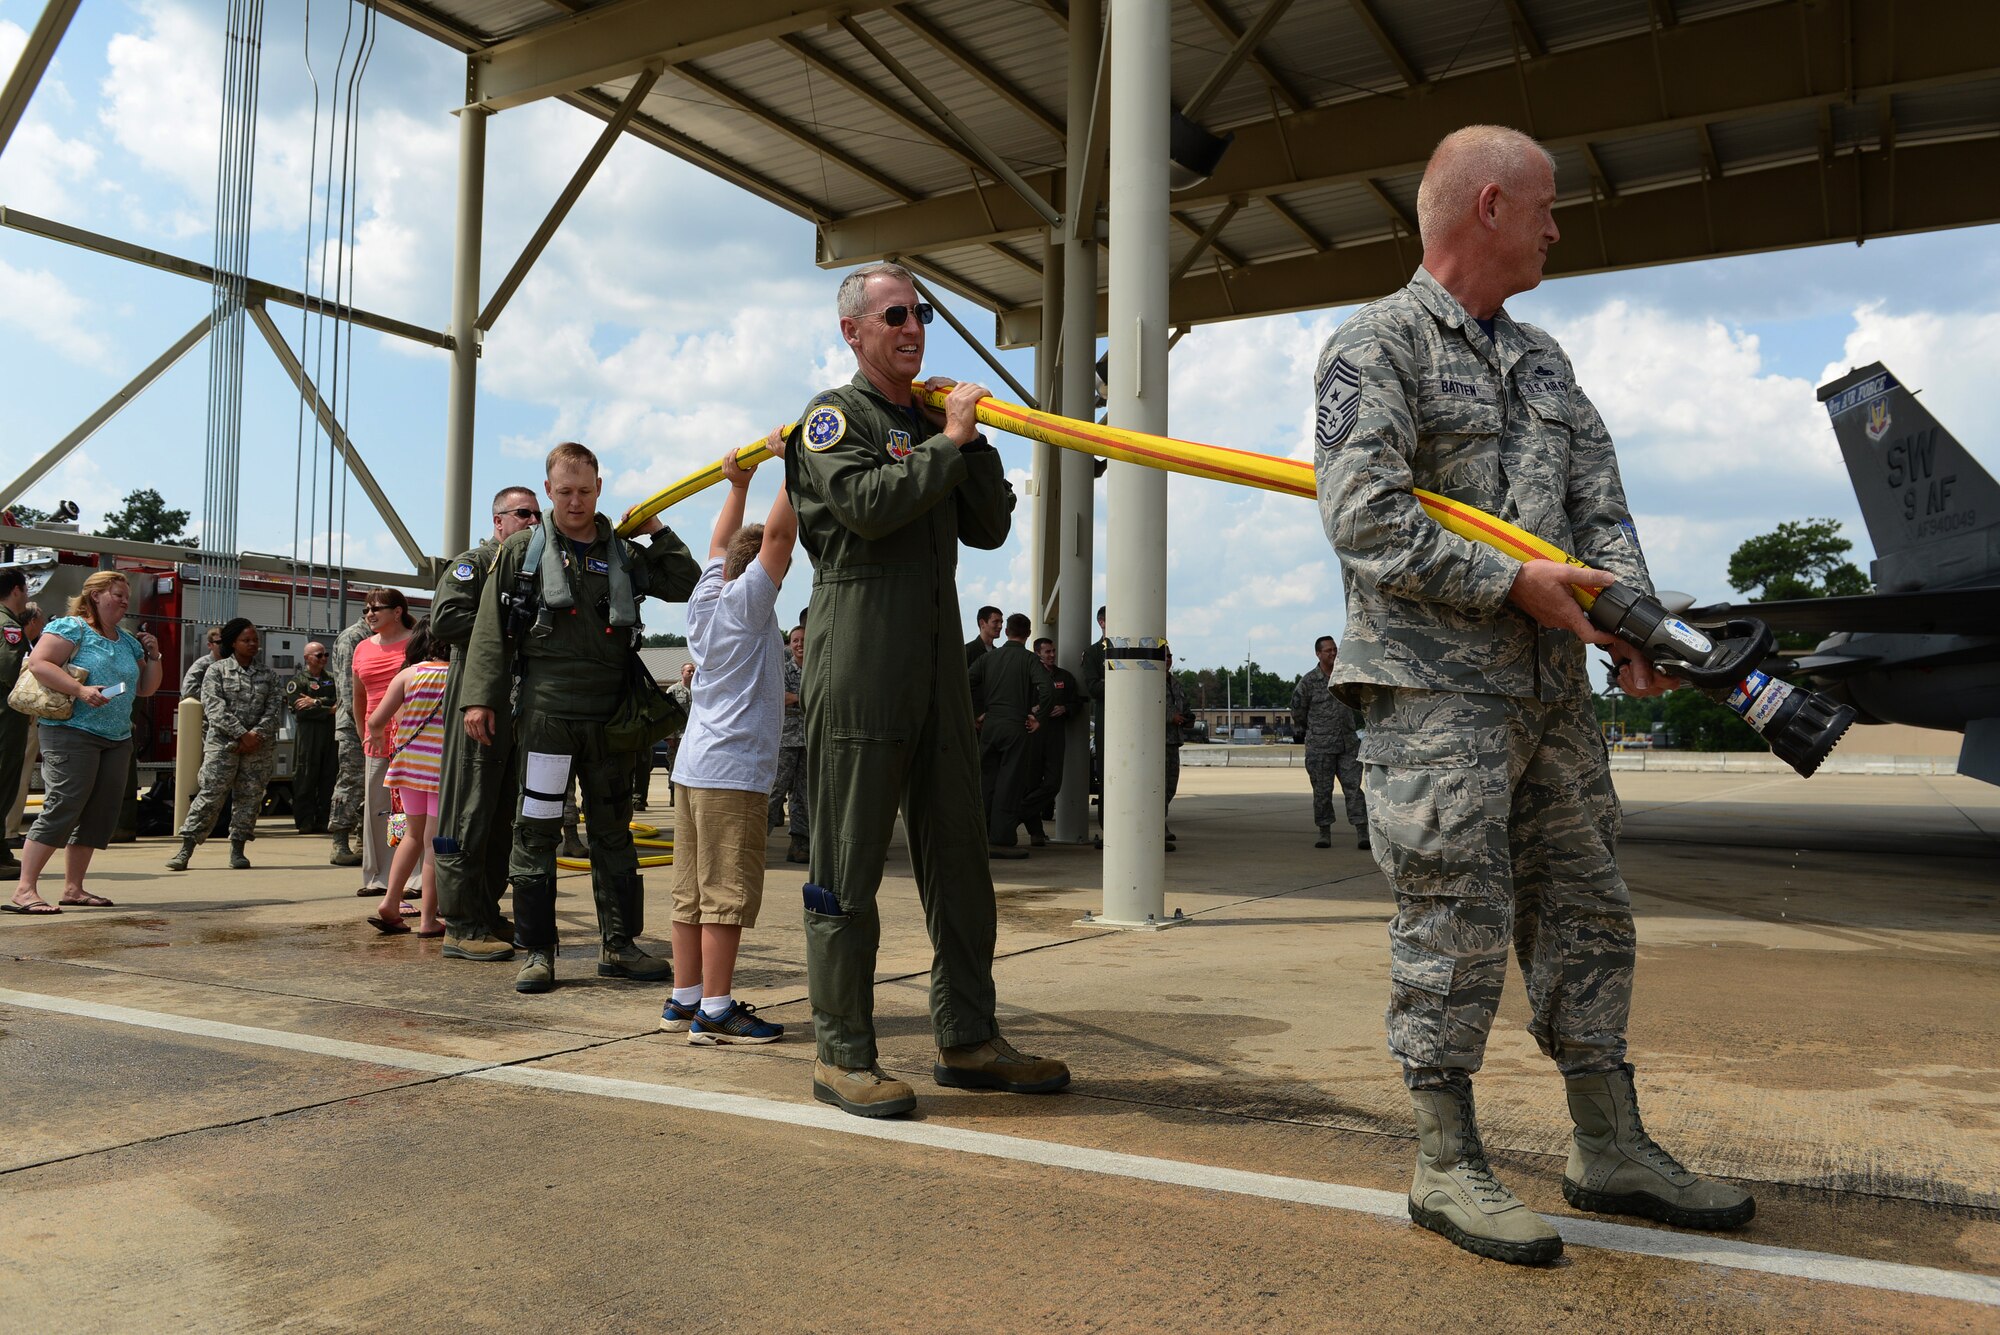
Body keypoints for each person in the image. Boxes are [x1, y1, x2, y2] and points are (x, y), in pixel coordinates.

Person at [1313, 124, 1753, 1267]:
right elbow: (1364, 519)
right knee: (1450, 919)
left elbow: (1601, 512)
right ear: (1491, 205)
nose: (1560, 229)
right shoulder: (1377, 346)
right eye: (1549, 209)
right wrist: (1511, 583)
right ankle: (1444, 1160)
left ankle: (1607, 1143)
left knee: (1586, 910)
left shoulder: (1546, 363)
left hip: (1553, 694)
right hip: (1433, 697)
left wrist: (1631, 624)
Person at [787, 260, 1069, 1119]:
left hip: (938, 661)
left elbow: (987, 526)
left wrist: (972, 440)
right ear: (855, 331)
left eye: (922, 316)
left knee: (961, 854)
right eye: (896, 315)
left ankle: (969, 1037)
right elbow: (870, 506)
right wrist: (946, 440)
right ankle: (842, 1052)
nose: (913, 329)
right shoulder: (834, 419)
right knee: (848, 859)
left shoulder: (933, 419)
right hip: (861, 650)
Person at [461, 441, 702, 995]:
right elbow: (491, 631)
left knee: (614, 832)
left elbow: (684, 583)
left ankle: (619, 946)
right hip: (546, 716)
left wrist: (658, 531)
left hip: (612, 718)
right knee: (537, 832)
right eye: (565, 491)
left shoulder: (622, 552)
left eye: (585, 492)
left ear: (599, 490)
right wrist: (480, 698)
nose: (575, 502)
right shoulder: (522, 550)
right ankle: (538, 952)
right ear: (548, 491)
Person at [662, 441, 797, 1045]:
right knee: (724, 895)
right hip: (731, 771)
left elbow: (720, 546)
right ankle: (715, 1010)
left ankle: (683, 998)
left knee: (690, 891)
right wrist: (799, 465)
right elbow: (777, 542)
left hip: (693, 768)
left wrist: (736, 483)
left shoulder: (705, 599)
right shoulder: (746, 603)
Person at [7, 571, 161, 914]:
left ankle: (73, 889)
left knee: (99, 812)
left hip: (117, 736)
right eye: (117, 594)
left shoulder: (127, 640)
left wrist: (155, 656)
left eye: (126, 595)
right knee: (64, 805)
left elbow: (147, 688)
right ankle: (24, 889)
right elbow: (38, 662)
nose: (124, 600)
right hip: (71, 732)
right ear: (95, 596)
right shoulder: (71, 628)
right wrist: (79, 690)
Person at [430, 485, 541, 962]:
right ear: (498, 522)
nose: (533, 522)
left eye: (538, 515)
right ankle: (460, 923)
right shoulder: (475, 564)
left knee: (501, 816)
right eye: (522, 514)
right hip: (478, 691)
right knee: (469, 808)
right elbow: (445, 620)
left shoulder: (535, 572)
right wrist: (501, 616)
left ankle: (485, 910)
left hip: (518, 701)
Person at [167, 618, 282, 871]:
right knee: (210, 796)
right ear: (233, 643)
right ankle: (185, 850)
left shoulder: (268, 675)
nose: (253, 645)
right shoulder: (216, 671)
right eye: (246, 640)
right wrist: (242, 735)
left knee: (249, 798)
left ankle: (238, 850)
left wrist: (255, 736)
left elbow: (274, 711)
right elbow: (214, 708)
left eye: (255, 640)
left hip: (258, 748)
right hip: (223, 745)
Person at [365, 621, 450, 937]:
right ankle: (428, 921)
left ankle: (390, 901)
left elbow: (376, 720)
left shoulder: (407, 674)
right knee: (434, 844)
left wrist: (375, 737)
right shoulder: (456, 675)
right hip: (440, 769)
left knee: (412, 836)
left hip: (407, 767)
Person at [967, 612, 1051, 858]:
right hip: (1016, 726)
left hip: (990, 725)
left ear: (1006, 632)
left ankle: (977, 832)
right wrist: (1039, 718)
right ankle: (1002, 837)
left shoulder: (989, 658)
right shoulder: (1029, 660)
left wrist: (976, 713)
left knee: (985, 780)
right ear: (1028, 634)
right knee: (1010, 783)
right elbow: (1046, 690)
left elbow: (964, 680)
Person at [351, 591, 416, 897]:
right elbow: (358, 698)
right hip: (375, 741)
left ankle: (414, 878)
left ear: (398, 611)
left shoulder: (416, 643)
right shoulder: (362, 648)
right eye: (366, 609)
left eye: (376, 608)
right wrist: (363, 730)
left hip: (412, 739)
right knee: (379, 811)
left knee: (409, 811)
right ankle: (380, 876)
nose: (369, 614)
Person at [1291, 635, 1368, 850]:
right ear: (1318, 654)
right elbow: (1297, 710)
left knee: (1354, 789)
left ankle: (1362, 831)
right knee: (1322, 792)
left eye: (1335, 650)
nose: (1333, 653)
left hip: (1347, 745)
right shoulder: (1308, 682)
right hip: (1320, 747)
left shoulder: (1345, 677)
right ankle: (1324, 832)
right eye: (1328, 651)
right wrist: (1313, 732)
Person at [1020, 636, 1080, 846]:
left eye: (1053, 651)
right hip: (1033, 736)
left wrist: (1065, 708)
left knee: (1053, 783)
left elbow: (1077, 701)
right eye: (1047, 652)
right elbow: (1016, 701)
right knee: (1031, 783)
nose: (1052, 655)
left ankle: (1017, 812)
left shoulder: (1065, 676)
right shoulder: (1028, 676)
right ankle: (1036, 832)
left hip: (1055, 736)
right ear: (1037, 653)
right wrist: (1031, 709)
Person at [325, 612, 370, 868]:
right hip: (354, 725)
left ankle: (364, 841)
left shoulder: (378, 637)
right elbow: (347, 688)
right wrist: (364, 727)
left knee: (372, 786)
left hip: (375, 723)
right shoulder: (352, 637)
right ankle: (340, 843)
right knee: (350, 782)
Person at [285, 641, 339, 834]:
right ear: (307, 658)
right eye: (319, 655)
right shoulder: (298, 681)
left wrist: (316, 702)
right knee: (305, 776)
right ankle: (305, 820)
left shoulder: (332, 679)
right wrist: (328, 709)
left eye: (325, 655)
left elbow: (339, 703)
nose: (323, 658)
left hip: (329, 735)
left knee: (328, 777)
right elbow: (300, 711)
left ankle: (324, 819)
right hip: (308, 736)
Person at [767, 624, 809, 864]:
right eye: (795, 640)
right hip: (786, 739)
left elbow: (825, 697)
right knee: (775, 791)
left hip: (810, 739)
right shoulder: (781, 671)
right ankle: (754, 842)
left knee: (803, 795)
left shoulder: (819, 669)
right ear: (789, 644)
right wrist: (806, 698)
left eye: (804, 640)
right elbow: (778, 698)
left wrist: (795, 700)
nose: (800, 644)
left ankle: (800, 844)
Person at [0, 567, 30, 874]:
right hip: (6, 716)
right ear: (17, 590)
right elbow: (10, 671)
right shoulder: (9, 627)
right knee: (3, 781)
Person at [1164, 648, 1187, 851]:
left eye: (1170, 656)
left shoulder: (1176, 684)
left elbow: (1184, 707)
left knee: (1171, 786)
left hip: (1174, 741)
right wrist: (1170, 718)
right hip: (1158, 742)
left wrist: (1187, 718)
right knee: (1159, 786)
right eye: (1164, 656)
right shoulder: (1150, 683)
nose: (1168, 660)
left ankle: (1160, 821)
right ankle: (1158, 825)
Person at [179, 625, 224, 702]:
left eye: (226, 642)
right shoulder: (202, 664)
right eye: (219, 642)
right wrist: (216, 695)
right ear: (210, 645)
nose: (223, 645)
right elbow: (188, 690)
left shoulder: (235, 663)